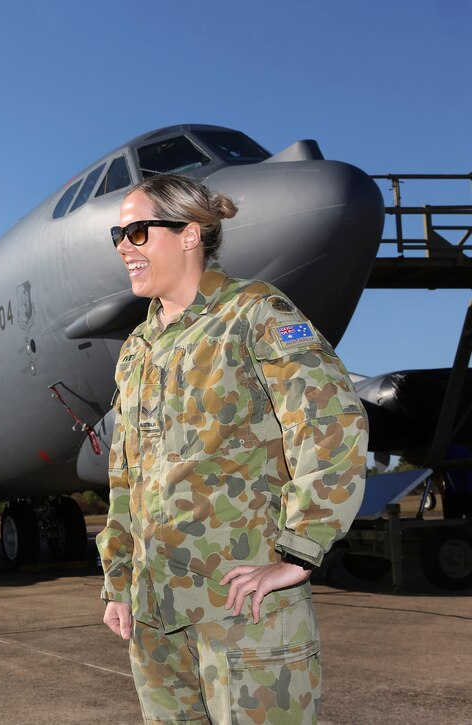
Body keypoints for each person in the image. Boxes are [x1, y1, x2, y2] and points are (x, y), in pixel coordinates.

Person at [96, 173, 367, 724]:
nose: (124, 246)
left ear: (190, 234)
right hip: (155, 619)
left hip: (243, 611)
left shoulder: (254, 314)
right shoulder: (137, 349)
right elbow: (126, 476)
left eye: (138, 232)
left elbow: (331, 421)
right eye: (118, 235)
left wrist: (299, 550)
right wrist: (118, 583)